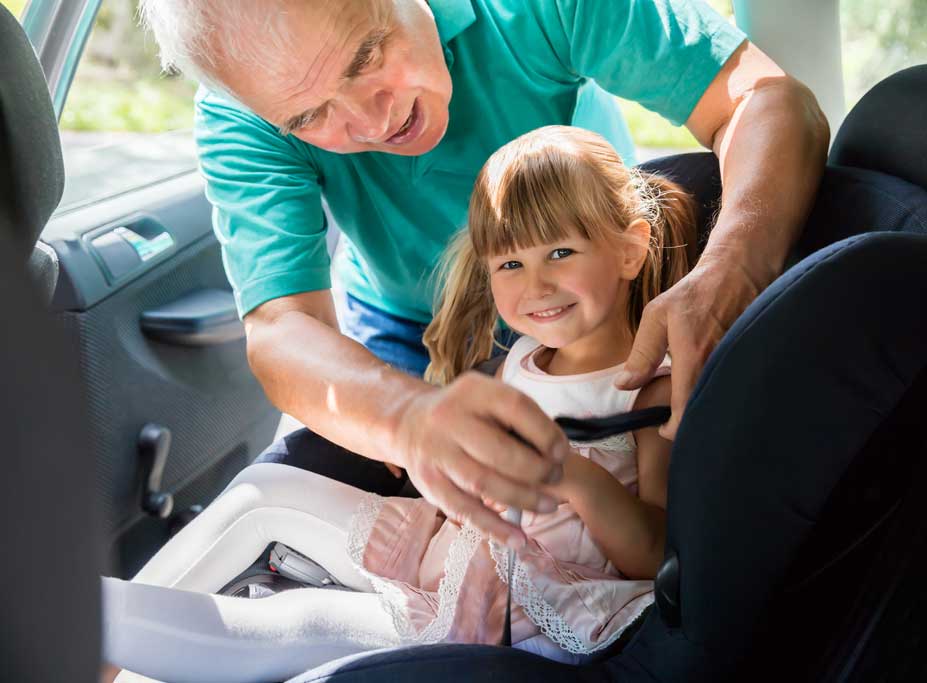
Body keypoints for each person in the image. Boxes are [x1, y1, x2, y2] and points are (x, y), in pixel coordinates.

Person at [138, 0, 830, 547]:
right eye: (311, 115)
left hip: (604, 316)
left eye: (366, 56)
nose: (371, 121)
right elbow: (282, 327)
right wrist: (407, 415)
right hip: (408, 336)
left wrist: (729, 270)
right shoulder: (243, 112)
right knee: (263, 505)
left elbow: (765, 99)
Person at [101, 126, 696, 682]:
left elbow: (654, 553)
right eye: (511, 264)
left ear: (630, 250)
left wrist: (572, 479)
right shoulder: (521, 361)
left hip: (517, 609)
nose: (535, 286)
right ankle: (84, 641)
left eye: (560, 253)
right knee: (264, 492)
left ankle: (75, 624)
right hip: (447, 553)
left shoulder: (648, 388)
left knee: (295, 621)